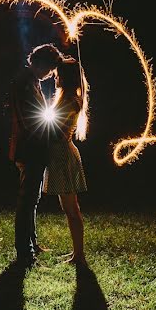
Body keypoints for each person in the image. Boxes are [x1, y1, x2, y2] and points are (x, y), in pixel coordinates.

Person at [8, 43, 74, 267]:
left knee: (31, 200)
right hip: (29, 150)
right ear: (41, 64)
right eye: (51, 69)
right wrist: (56, 130)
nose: (52, 74)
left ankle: (31, 244)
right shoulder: (24, 84)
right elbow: (30, 121)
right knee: (27, 201)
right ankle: (25, 253)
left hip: (31, 149)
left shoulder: (30, 82)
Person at [44, 61, 88, 265]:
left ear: (66, 77)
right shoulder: (66, 99)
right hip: (61, 154)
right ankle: (76, 254)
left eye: (57, 74)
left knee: (72, 209)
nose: (55, 78)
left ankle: (79, 255)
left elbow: (58, 132)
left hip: (63, 155)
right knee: (69, 208)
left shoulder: (70, 101)